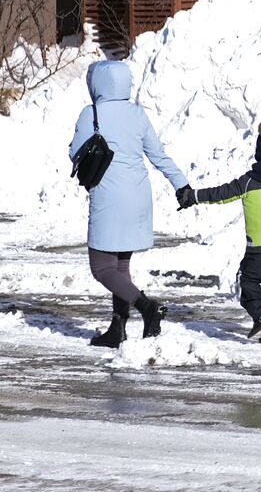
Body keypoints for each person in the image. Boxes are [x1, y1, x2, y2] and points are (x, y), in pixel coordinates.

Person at [69, 60, 192, 347]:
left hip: (109, 199)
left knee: (102, 268)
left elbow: (76, 152)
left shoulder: (92, 113)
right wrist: (181, 184)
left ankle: (147, 307)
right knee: (120, 268)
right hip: (138, 197)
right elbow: (158, 154)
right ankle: (117, 329)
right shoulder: (138, 114)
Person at [180, 119, 261, 344]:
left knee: (247, 279)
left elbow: (221, 194)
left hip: (260, 247)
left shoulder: (250, 181)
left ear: (260, 152)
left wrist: (193, 196)